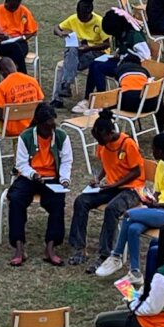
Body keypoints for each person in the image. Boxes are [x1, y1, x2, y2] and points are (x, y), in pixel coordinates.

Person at [96, 133, 164, 286]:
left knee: (129, 215)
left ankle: (116, 256)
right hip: (159, 211)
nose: (152, 151)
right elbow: (158, 191)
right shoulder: (162, 165)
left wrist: (159, 205)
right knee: (133, 229)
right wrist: (151, 199)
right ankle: (135, 272)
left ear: (162, 151)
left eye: (154, 149)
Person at [67, 109, 145, 271]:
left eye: (100, 138)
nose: (99, 142)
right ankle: (79, 248)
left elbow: (137, 171)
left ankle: (105, 254)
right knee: (81, 201)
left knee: (112, 209)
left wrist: (115, 185)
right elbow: (105, 163)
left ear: (110, 133)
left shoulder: (127, 144)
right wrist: (98, 179)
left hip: (131, 189)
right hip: (112, 186)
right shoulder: (103, 143)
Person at [7, 102, 73, 266]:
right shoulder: (26, 136)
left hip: (52, 178)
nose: (50, 130)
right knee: (15, 199)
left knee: (58, 202)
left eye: (52, 126)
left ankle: (50, 246)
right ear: (38, 123)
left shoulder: (61, 136)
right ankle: (19, 247)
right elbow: (21, 164)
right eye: (46, 127)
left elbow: (66, 161)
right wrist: (33, 174)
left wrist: (64, 179)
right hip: (29, 177)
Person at [72, 8, 151, 113]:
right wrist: (118, 55)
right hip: (121, 62)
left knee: (99, 68)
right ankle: (87, 99)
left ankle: (102, 101)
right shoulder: (120, 33)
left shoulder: (134, 35)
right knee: (94, 64)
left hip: (132, 68)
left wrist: (127, 57)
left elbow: (146, 56)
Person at [0, 57, 44, 167]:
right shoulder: (32, 81)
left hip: (11, 129)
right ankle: (18, 155)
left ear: (2, 72)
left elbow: (1, 116)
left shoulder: (2, 86)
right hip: (31, 125)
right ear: (15, 66)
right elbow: (41, 104)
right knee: (16, 117)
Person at [51, 0, 109, 108]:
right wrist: (61, 33)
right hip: (79, 52)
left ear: (90, 13)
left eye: (84, 17)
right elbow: (56, 28)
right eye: (79, 15)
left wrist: (89, 48)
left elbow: (107, 44)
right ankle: (61, 94)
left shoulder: (99, 21)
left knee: (68, 64)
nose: (81, 19)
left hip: (97, 53)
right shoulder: (74, 19)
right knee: (71, 50)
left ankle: (65, 86)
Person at [0, 0, 38, 76]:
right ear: (7, 0)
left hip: (20, 42)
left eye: (17, 6)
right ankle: (23, 76)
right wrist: (3, 37)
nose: (14, 9)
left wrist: (23, 38)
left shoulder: (24, 11)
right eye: (12, 6)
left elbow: (33, 30)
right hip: (4, 44)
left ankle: (12, 77)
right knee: (15, 48)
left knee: (16, 48)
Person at [116, 58, 164, 132]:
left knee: (113, 101)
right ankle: (161, 129)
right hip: (149, 105)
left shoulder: (119, 69)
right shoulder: (144, 70)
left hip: (130, 105)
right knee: (159, 101)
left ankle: (111, 127)